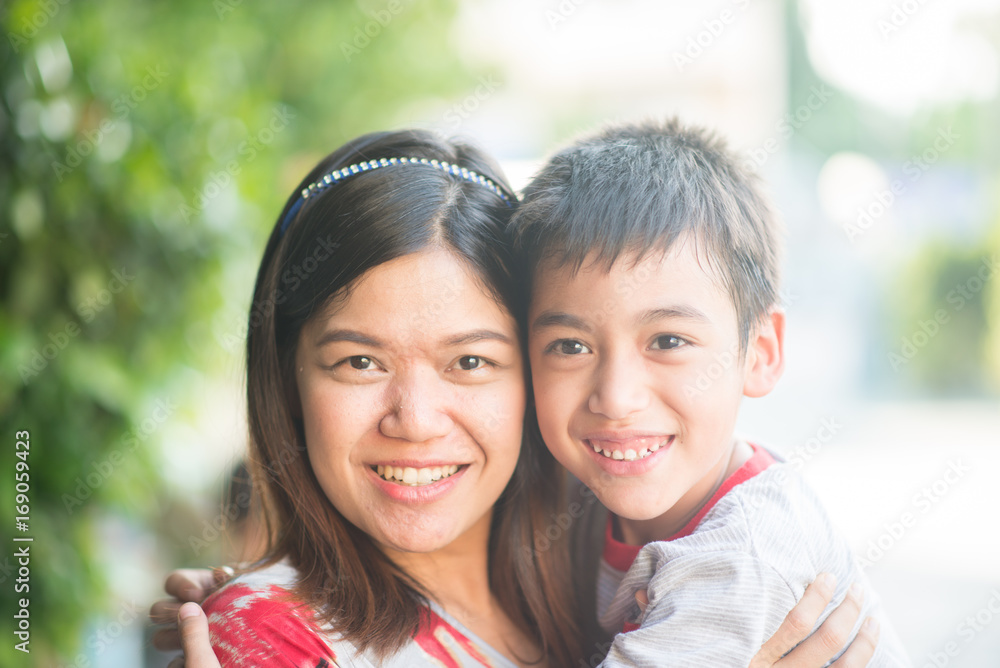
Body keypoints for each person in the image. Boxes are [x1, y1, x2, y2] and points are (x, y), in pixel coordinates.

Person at [150, 127, 882, 668]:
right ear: (286, 378)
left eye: (470, 360)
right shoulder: (271, 639)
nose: (415, 419)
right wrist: (249, 617)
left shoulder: (619, 539)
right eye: (359, 362)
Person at [513, 118, 910, 665]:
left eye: (668, 341)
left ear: (761, 352)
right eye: (570, 346)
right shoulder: (574, 495)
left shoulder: (743, 555)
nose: (617, 398)